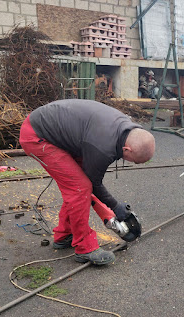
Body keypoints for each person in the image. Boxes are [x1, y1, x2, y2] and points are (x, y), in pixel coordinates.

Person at [19, 99, 155, 265]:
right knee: (79, 187)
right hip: (37, 136)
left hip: (63, 133)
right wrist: (115, 206)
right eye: (133, 160)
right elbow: (93, 183)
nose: (131, 163)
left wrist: (112, 208)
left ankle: (64, 234)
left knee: (77, 184)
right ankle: (85, 248)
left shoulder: (127, 130)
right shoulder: (102, 147)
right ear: (127, 149)